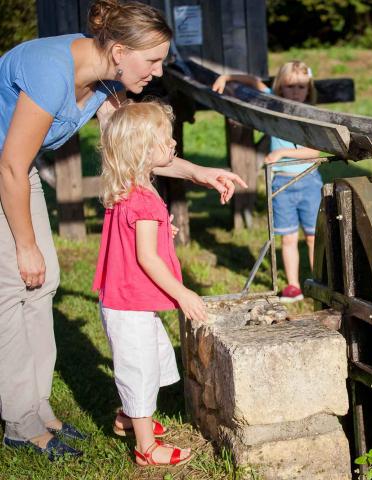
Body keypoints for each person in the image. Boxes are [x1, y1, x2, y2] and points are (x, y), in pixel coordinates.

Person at [0, 0, 246, 460]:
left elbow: (138, 151)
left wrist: (200, 173)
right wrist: (27, 245)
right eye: (152, 60)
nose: (157, 72)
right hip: (7, 169)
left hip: (18, 168)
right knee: (15, 285)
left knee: (45, 282)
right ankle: (20, 422)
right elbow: (9, 165)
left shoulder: (106, 86)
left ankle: (37, 409)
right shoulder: (50, 70)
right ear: (118, 50)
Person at [92, 100, 200, 467]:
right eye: (165, 140)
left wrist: (159, 233)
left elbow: (133, 239)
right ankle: (145, 448)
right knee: (138, 370)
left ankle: (127, 418)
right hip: (129, 303)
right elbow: (146, 258)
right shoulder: (145, 200)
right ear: (141, 151)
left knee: (152, 360)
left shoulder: (131, 189)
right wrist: (182, 293)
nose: (172, 146)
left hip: (125, 299)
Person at [212, 61, 322, 302]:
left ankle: (318, 282)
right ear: (281, 87)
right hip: (281, 182)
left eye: (301, 87)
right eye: (290, 86)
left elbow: (314, 152)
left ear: (308, 89)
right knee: (289, 237)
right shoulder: (274, 103)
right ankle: (294, 286)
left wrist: (282, 154)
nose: (296, 91)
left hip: (308, 181)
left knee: (314, 236)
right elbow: (253, 81)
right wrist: (228, 78)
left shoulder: (310, 114)